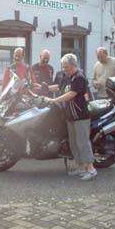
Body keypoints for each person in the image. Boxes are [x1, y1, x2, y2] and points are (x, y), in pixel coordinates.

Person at [46, 53, 96, 181]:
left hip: (80, 116)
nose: (64, 70)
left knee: (83, 143)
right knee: (74, 143)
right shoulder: (66, 76)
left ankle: (90, 169)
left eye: (66, 67)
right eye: (63, 67)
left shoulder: (79, 77)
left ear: (74, 65)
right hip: (70, 116)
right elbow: (58, 87)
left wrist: (55, 100)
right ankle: (80, 167)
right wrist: (42, 88)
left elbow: (71, 94)